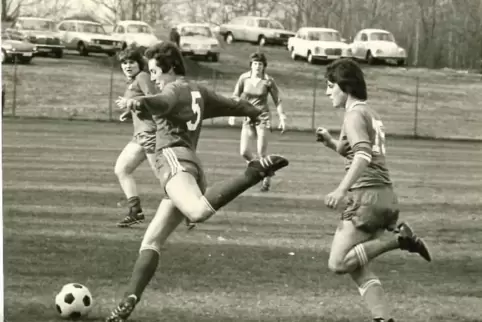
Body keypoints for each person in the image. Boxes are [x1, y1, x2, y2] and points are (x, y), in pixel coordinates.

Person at [105, 41, 289, 322]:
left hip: (174, 161)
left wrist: (140, 101)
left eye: (154, 70)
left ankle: (254, 172)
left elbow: (162, 102)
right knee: (151, 241)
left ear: (169, 67)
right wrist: (254, 112)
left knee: (197, 212)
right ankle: (128, 301)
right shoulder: (197, 91)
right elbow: (231, 104)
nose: (152, 77)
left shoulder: (172, 90)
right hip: (192, 167)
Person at [316, 58, 431, 322]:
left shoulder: (354, 114)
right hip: (384, 196)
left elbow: (363, 155)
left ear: (345, 86)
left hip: (366, 198)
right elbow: (352, 150)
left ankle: (399, 240)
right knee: (358, 266)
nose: (327, 92)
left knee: (338, 263)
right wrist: (330, 142)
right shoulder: (369, 112)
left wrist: (340, 190)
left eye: (330, 85)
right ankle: (383, 319)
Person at [228, 52, 287, 192]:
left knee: (261, 152)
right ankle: (264, 170)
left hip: (262, 117)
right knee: (244, 151)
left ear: (264, 66)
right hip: (247, 117)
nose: (257, 66)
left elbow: (277, 100)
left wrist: (282, 117)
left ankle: (265, 177)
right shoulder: (244, 78)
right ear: (251, 65)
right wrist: (232, 113)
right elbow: (235, 96)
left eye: (260, 64)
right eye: (255, 64)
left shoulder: (268, 81)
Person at [114, 45, 158, 228]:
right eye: (124, 63)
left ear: (140, 63)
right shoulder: (132, 81)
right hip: (140, 135)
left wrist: (131, 102)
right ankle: (135, 211)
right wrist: (129, 111)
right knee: (122, 169)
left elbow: (156, 101)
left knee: (165, 177)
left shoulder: (143, 77)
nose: (127, 65)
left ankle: (190, 210)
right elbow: (141, 104)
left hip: (151, 134)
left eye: (131, 62)